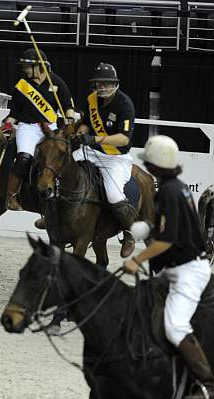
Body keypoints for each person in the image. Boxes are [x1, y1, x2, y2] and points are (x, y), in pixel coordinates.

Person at [124, 135, 214, 397]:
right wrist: (148, 229)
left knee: (175, 327)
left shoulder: (169, 191)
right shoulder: (177, 187)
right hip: (176, 267)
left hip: (187, 271)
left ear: (155, 166)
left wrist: (137, 260)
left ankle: (207, 383)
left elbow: (168, 240)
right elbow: (174, 229)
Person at [72, 62, 137, 257]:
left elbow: (124, 138)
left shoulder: (125, 104)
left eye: (106, 84)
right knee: (63, 170)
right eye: (99, 83)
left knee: (114, 195)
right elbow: (85, 124)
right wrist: (81, 134)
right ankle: (53, 216)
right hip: (91, 151)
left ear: (114, 84)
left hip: (115, 158)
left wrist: (95, 138)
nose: (101, 87)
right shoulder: (92, 99)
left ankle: (129, 232)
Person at [3, 48, 75, 211]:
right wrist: (8, 125)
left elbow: (68, 106)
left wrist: (69, 119)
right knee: (24, 159)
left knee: (64, 158)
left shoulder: (56, 82)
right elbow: (14, 114)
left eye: (28, 66)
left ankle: (64, 196)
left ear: (39, 66)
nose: (24, 70)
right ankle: (11, 196)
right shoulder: (21, 86)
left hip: (51, 128)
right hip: (28, 128)